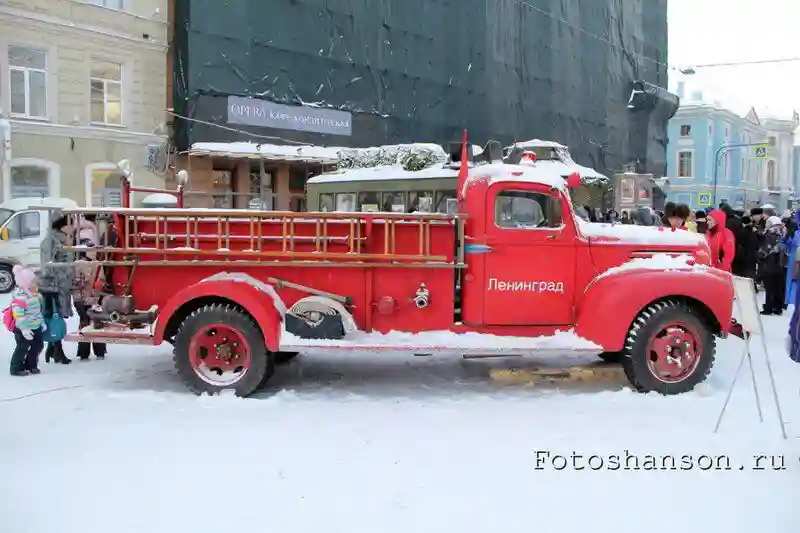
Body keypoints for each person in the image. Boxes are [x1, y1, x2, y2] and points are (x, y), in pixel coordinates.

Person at [39, 214, 75, 364]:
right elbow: (48, 266)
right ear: (63, 225)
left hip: (61, 285)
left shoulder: (62, 239)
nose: (73, 228)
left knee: (56, 317)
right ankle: (56, 350)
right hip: (53, 286)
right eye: (71, 224)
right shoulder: (51, 241)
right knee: (54, 317)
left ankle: (53, 349)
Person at [8, 265, 45, 376]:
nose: (35, 283)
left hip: (36, 325)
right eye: (32, 281)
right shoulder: (19, 298)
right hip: (23, 328)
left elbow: (37, 312)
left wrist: (41, 322)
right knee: (22, 347)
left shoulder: (35, 295)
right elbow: (19, 316)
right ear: (25, 283)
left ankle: (31, 365)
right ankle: (16, 368)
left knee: (38, 345)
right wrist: (24, 329)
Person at [73, 242, 107, 360]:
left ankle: (100, 351)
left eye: (95, 250)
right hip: (81, 298)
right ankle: (83, 352)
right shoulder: (78, 264)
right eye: (91, 250)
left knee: (97, 323)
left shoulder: (98, 264)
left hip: (95, 298)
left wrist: (99, 287)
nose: (94, 253)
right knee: (84, 322)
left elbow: (102, 279)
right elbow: (75, 282)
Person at [758, 216, 787, 315]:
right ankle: (778, 307)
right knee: (778, 287)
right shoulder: (781, 235)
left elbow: (763, 251)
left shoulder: (768, 235)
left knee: (769, 287)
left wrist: (758, 256)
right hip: (779, 265)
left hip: (769, 265)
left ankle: (768, 308)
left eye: (768, 223)